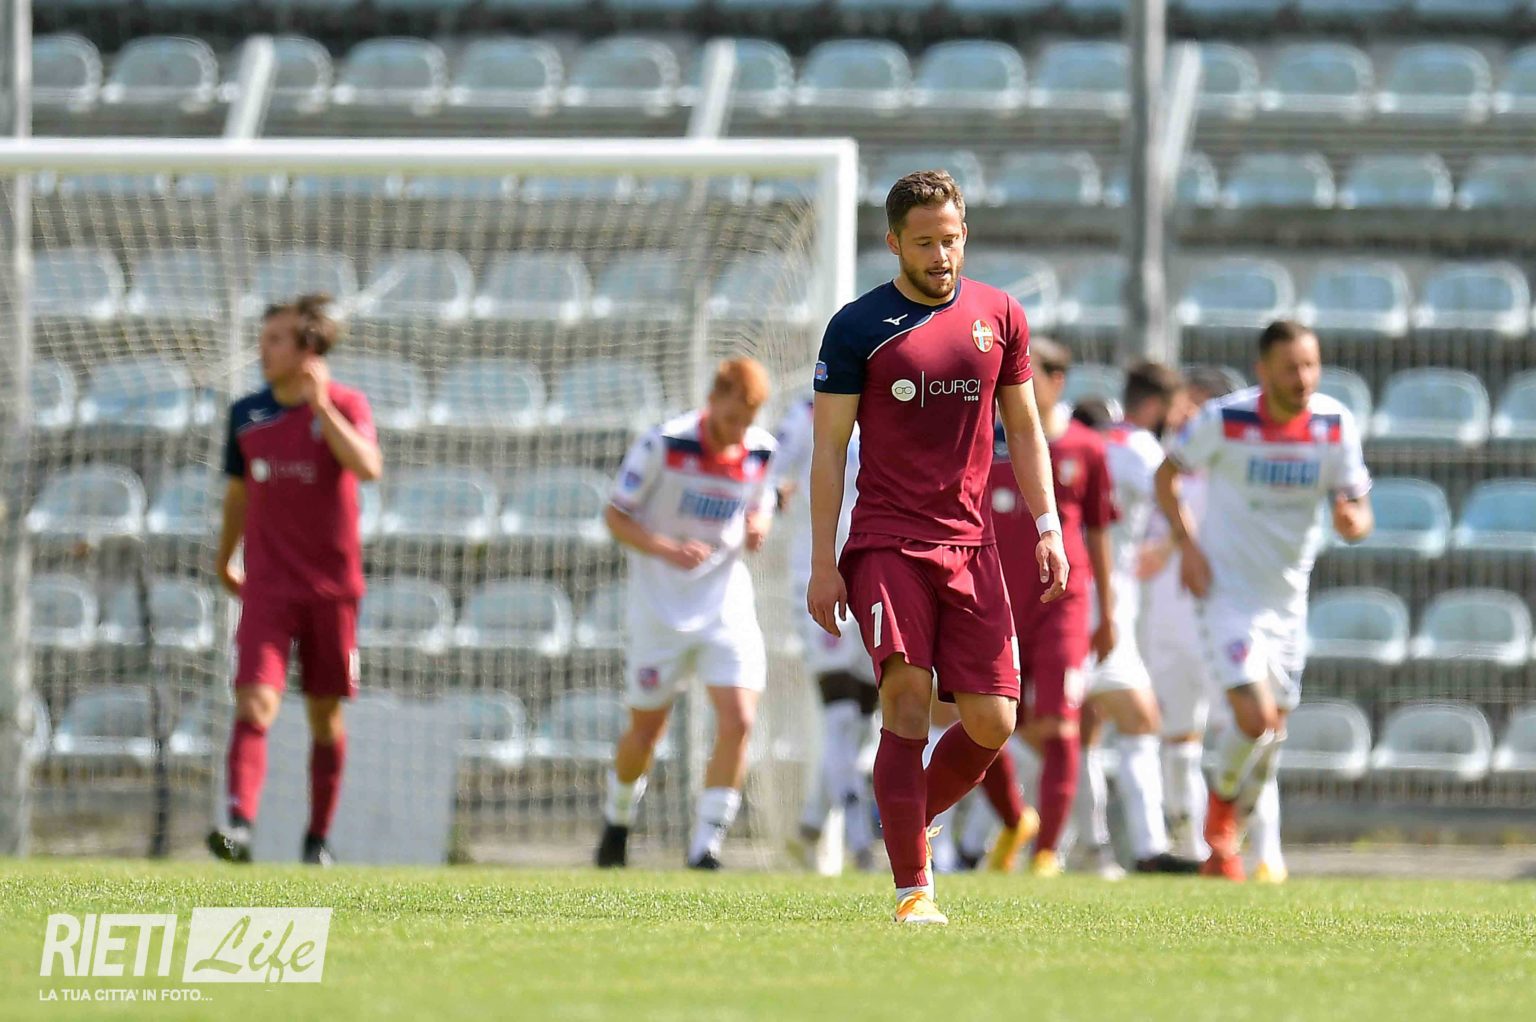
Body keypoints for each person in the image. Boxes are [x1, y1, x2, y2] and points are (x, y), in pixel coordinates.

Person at [808, 169, 1067, 924]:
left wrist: (1048, 527)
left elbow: (1025, 428)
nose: (940, 255)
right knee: (906, 698)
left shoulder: (1000, 315)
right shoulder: (857, 327)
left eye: (950, 239)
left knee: (993, 722)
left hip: (972, 546)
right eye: (924, 243)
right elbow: (828, 451)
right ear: (894, 243)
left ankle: (906, 817)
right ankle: (912, 889)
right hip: (887, 542)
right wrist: (824, 562)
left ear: (965, 235)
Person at [1155, 321, 1373, 881]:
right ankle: (1219, 822)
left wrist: (1353, 521)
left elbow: (1357, 503)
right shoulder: (1225, 419)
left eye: (1310, 365)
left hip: (1288, 601)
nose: (1303, 378)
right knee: (1253, 718)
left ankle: (1225, 840)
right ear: (1264, 370)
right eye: (1290, 367)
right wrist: (1187, 545)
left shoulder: (1333, 424)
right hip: (1226, 593)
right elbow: (1166, 475)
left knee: (1273, 729)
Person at [208, 294, 383, 867]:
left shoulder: (346, 404)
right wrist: (225, 557)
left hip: (332, 591)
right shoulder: (245, 414)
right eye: (263, 339)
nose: (263, 350)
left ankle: (317, 841)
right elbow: (238, 494)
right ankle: (238, 826)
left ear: (308, 348)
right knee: (255, 701)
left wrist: (322, 407)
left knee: (324, 716)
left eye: (276, 340)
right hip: (268, 587)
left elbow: (368, 467)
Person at [595, 358, 777, 871]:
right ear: (712, 400)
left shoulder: (761, 450)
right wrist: (667, 549)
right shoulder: (664, 444)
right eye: (730, 419)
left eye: (746, 421)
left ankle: (705, 848)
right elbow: (615, 516)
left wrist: (759, 524)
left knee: (740, 719)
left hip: (725, 604)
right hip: (661, 610)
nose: (737, 431)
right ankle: (617, 820)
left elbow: (761, 503)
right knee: (646, 733)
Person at [986, 339, 1114, 879]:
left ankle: (1046, 854)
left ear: (1057, 381)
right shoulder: (984, 440)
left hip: (1063, 602)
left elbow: (1099, 532)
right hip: (995, 599)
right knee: (985, 721)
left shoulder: (1087, 448)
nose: (1010, 385)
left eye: (1023, 373)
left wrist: (1109, 613)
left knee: (1061, 725)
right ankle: (1016, 820)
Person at [1081, 363, 1201, 875]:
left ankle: (1089, 847)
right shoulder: (1141, 449)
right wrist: (1172, 546)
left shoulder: (1092, 442)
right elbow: (1176, 500)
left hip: (1070, 594)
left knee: (1080, 727)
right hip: (1106, 600)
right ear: (1155, 407)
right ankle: (1147, 847)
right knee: (1139, 719)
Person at [775, 394, 878, 873]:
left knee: (862, 724)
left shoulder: (887, 402)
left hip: (874, 578)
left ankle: (809, 829)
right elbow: (769, 475)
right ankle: (861, 847)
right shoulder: (807, 413)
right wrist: (772, 496)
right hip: (817, 580)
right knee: (839, 718)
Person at [1138, 367, 1235, 868]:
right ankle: (1192, 845)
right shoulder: (1162, 459)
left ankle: (1257, 848)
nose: (1183, 414)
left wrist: (1169, 545)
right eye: (1182, 404)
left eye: (1195, 405)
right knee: (1178, 735)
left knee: (1241, 731)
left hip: (1218, 612)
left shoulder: (1228, 464)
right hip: (1166, 614)